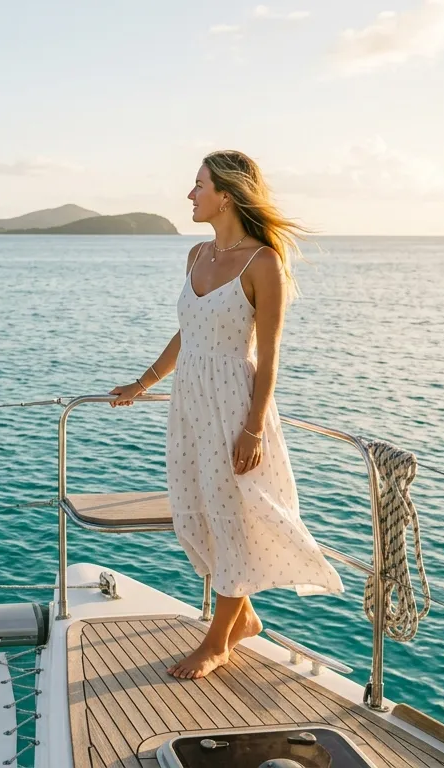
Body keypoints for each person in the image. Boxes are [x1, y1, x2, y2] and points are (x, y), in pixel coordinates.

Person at [109, 150, 343, 679]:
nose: (190, 195)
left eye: (198, 185)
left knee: (233, 517)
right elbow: (187, 333)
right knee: (197, 511)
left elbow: (269, 354)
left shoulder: (263, 263)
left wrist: (253, 428)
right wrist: (143, 383)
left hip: (235, 407)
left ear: (227, 195)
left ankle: (218, 641)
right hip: (190, 404)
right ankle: (245, 619)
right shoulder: (195, 256)